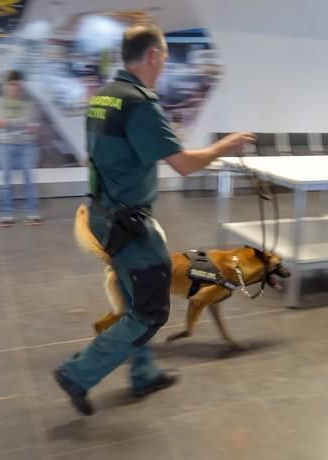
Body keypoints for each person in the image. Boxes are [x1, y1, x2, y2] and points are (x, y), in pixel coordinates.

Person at [53, 24, 254, 416]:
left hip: (103, 213)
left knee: (134, 298)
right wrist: (224, 146)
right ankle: (78, 373)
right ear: (152, 55)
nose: (164, 63)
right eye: (163, 55)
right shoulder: (140, 102)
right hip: (129, 224)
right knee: (150, 311)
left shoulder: (104, 96)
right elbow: (182, 164)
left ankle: (143, 373)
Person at [0, 70, 41, 227]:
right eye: (12, 85)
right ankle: (6, 214)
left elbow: (30, 123)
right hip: (2, 145)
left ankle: (32, 213)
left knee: (29, 180)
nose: (15, 88)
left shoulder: (29, 102)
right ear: (5, 85)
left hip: (27, 145)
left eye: (18, 85)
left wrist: (8, 122)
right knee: (5, 181)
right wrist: (23, 124)